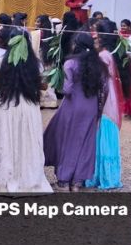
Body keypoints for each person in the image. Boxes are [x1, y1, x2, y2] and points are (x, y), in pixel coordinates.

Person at [0, 28, 52, 193]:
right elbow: (44, 85)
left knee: (6, 140)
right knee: (25, 140)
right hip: (28, 107)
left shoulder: (2, 62)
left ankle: (7, 175)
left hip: (6, 105)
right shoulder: (35, 64)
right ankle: (26, 175)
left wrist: (9, 82)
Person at [43, 32, 108, 191]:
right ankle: (77, 182)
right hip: (91, 107)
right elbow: (104, 89)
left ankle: (63, 181)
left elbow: (67, 89)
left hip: (72, 106)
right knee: (85, 143)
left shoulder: (70, 63)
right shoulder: (98, 64)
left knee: (67, 141)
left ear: (76, 45)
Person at [86, 20, 126, 190]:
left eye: (96, 32)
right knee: (106, 139)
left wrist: (99, 105)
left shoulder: (103, 56)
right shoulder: (111, 53)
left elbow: (102, 84)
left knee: (104, 139)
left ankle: (106, 178)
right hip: (110, 99)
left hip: (105, 102)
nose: (93, 35)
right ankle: (106, 176)